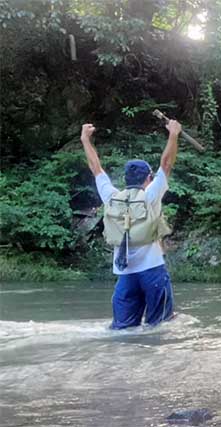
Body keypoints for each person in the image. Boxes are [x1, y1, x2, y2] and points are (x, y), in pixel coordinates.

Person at [80, 120, 181, 329]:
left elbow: (95, 168)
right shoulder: (151, 195)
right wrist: (173, 134)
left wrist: (85, 139)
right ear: (148, 178)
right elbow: (167, 164)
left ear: (126, 179)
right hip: (152, 271)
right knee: (160, 327)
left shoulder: (111, 196)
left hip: (125, 276)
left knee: (122, 331)